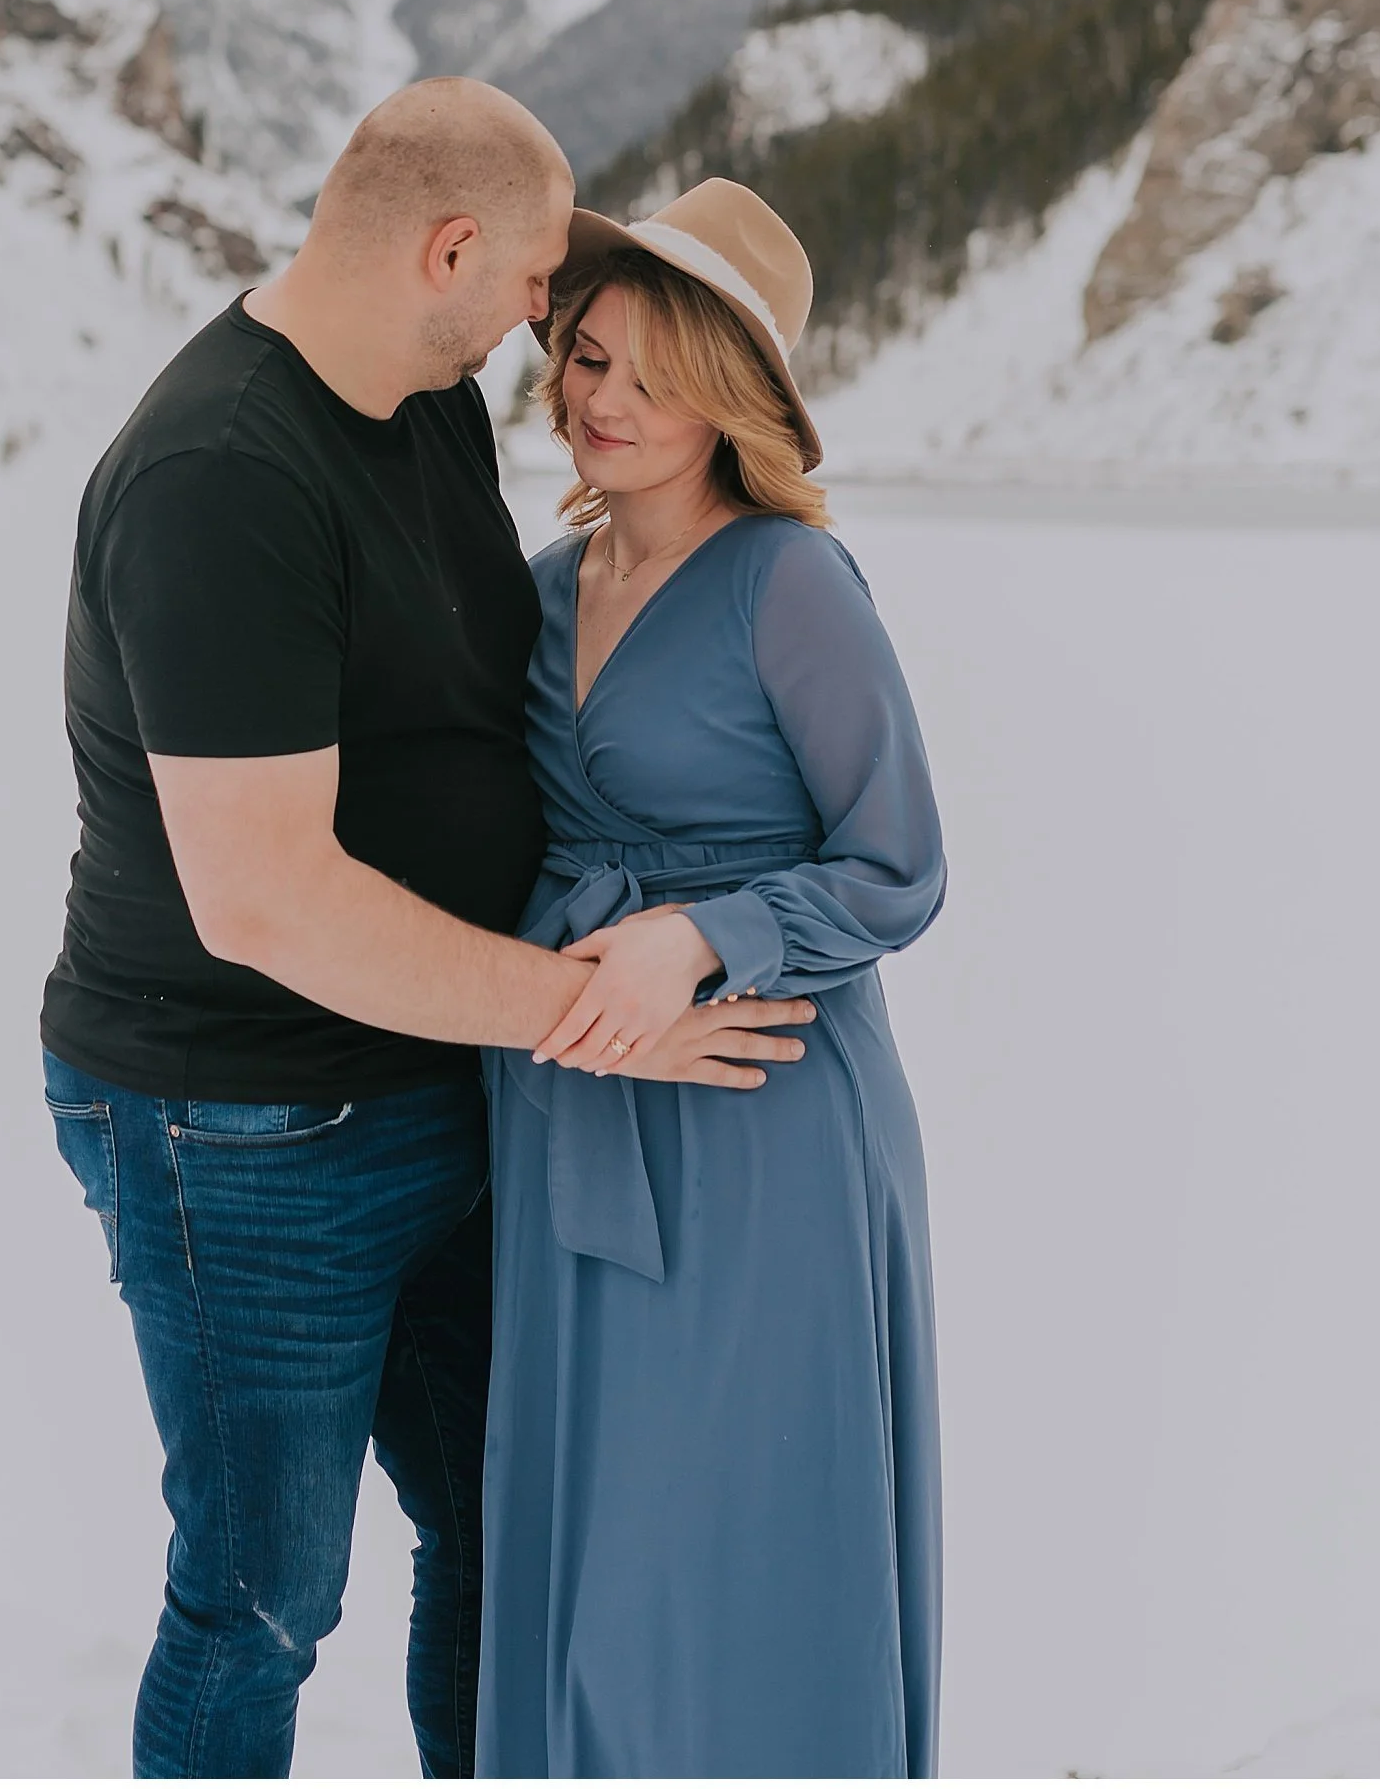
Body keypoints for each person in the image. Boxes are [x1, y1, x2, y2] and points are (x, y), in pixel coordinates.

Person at [39, 79, 816, 1781]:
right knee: (259, 1597)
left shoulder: (422, 404)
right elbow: (264, 900)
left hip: (443, 1085)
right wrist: (593, 1008)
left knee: (501, 1522)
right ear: (450, 249)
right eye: (539, 282)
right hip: (238, 1121)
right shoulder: (218, 476)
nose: (549, 327)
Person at [478, 178, 947, 1780]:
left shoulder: (790, 585)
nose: (606, 401)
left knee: (741, 1521)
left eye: (656, 374)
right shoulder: (542, 593)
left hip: (763, 1109)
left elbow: (900, 866)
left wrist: (700, 936)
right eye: (591, 357)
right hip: (574, 1095)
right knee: (599, 1538)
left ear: (732, 400)